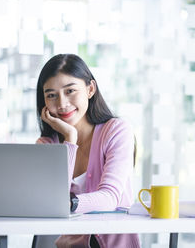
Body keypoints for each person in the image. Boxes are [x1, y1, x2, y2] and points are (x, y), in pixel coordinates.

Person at [35, 54, 140, 248]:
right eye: (51, 95)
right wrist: (70, 139)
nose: (62, 103)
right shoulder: (46, 144)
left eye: (70, 91)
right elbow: (50, 203)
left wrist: (69, 205)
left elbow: (110, 198)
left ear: (90, 89)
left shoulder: (116, 131)